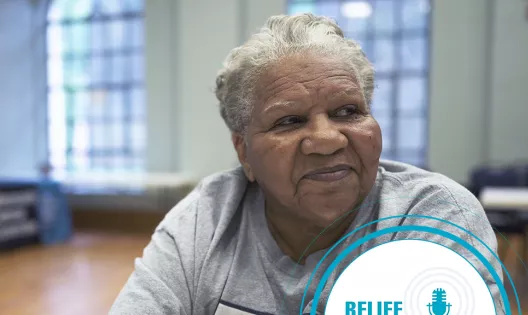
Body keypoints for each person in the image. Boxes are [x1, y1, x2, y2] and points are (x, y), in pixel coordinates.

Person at [110, 14, 505, 314]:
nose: (327, 139)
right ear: (244, 152)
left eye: (348, 111)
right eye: (289, 121)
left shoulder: (431, 214)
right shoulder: (207, 219)